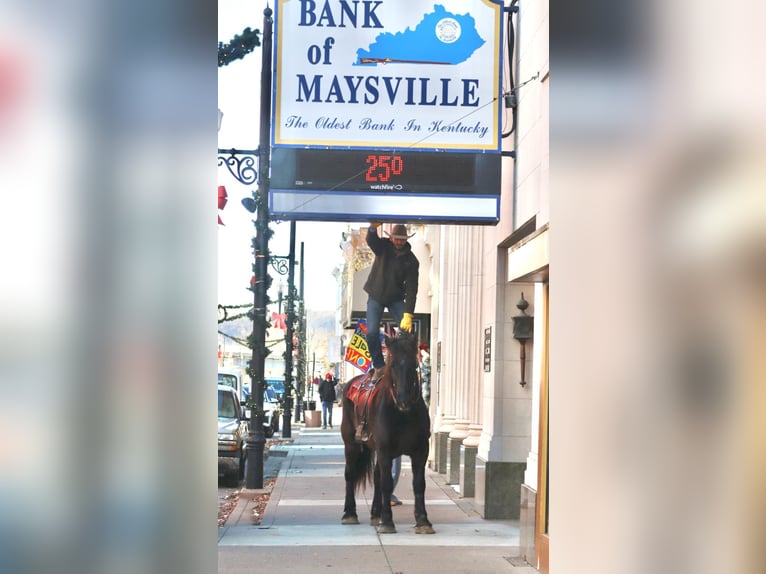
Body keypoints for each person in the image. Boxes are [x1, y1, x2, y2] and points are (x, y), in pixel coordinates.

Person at [357, 222, 420, 441]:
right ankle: (379, 365)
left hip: (395, 298)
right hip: (375, 295)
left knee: (406, 333)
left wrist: (408, 314)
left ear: (406, 240)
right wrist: (373, 228)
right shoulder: (382, 247)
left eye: (402, 239)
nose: (399, 241)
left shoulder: (412, 261)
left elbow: (412, 289)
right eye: (396, 238)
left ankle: (405, 366)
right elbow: (371, 240)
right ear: (391, 238)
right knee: (372, 332)